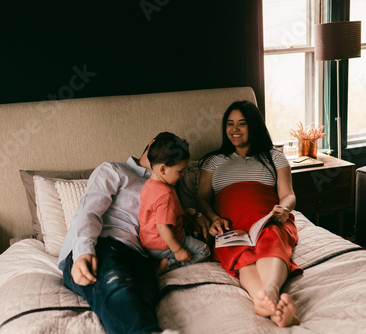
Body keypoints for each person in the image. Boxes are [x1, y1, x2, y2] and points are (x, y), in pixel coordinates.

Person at [58, 132, 208, 334]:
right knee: (117, 285)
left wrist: (196, 216)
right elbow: (89, 211)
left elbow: (171, 220)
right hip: (103, 245)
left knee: (144, 297)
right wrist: (84, 250)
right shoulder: (114, 170)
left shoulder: (169, 184)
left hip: (140, 256)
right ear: (151, 144)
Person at [196, 100, 303, 328]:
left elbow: (288, 194)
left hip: (267, 220)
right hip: (231, 226)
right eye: (230, 124)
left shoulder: (274, 156)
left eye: (242, 124)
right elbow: (202, 198)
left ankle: (268, 294)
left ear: (253, 126)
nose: (234, 129)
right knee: (242, 257)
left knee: (271, 239)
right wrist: (214, 218)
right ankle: (271, 306)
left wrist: (284, 209)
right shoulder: (214, 160)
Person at [139, 134, 210, 275]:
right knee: (204, 251)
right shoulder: (165, 194)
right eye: (180, 171)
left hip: (148, 242)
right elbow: (162, 226)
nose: (183, 175)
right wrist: (178, 250)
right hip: (164, 244)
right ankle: (169, 264)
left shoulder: (148, 185)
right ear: (163, 169)